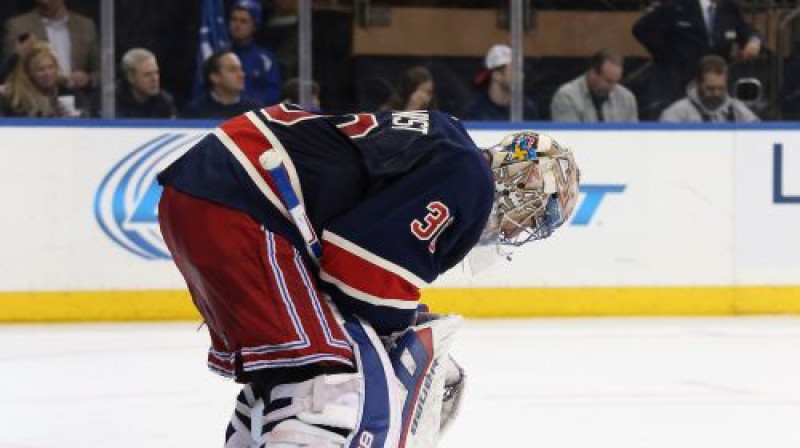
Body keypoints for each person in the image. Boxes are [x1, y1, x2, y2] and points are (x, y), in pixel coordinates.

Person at [157, 105, 580, 446]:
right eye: (527, 218)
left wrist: (399, 320)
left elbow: (356, 268)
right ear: (520, 184)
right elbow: (359, 270)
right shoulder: (469, 177)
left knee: (287, 374)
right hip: (243, 198)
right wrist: (406, 338)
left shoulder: (452, 151)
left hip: (218, 191)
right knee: (330, 382)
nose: (511, 231)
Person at [633, 0, 761, 117]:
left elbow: (746, 30)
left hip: (714, 86)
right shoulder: (676, 5)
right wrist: (668, 56)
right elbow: (642, 29)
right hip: (678, 82)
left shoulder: (730, 7)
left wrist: (753, 41)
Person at [3, 0, 99, 112]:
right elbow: (8, 74)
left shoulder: (86, 26)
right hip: (31, 106)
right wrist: (19, 55)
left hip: (78, 103)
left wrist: (88, 79)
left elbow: (103, 72)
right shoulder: (18, 26)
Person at [660, 54, 758, 122]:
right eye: (710, 89)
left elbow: (760, 135)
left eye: (721, 88)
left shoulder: (737, 108)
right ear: (697, 83)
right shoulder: (676, 113)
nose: (716, 93)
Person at [550, 50, 638, 122]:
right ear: (593, 73)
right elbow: (568, 137)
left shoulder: (627, 98)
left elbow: (632, 138)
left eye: (616, 82)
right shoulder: (566, 96)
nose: (612, 88)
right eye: (608, 81)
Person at [462, 44, 539, 121]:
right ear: (496, 75)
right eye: (514, 70)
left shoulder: (527, 109)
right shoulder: (476, 111)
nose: (522, 76)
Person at [1, 41, 75, 117]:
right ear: (29, 73)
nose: (48, 73)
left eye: (51, 67)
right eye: (40, 69)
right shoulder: (15, 99)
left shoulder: (59, 88)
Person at [181, 49, 262, 119]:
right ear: (214, 77)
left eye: (240, 69)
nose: (241, 74)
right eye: (233, 70)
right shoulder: (195, 112)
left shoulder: (255, 111)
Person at [229, 0, 282, 107]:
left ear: (254, 26)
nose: (237, 25)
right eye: (234, 19)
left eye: (243, 21)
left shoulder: (266, 59)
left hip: (255, 117)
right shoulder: (220, 56)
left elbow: (273, 94)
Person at [115, 48, 176, 119]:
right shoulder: (112, 100)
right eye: (147, 74)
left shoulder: (165, 101)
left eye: (156, 72)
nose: (154, 79)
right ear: (131, 78)